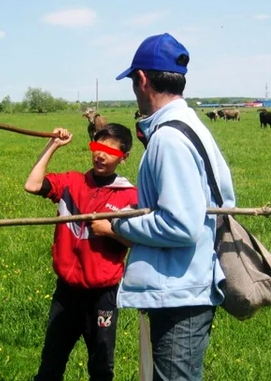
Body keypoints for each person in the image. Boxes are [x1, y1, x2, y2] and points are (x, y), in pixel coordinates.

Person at [91, 33, 236, 381]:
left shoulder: (168, 139)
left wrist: (119, 224)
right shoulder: (191, 127)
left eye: (133, 82)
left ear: (141, 79)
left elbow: (181, 225)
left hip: (180, 290)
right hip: (189, 280)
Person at [25, 124, 138, 381]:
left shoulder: (129, 196)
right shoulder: (71, 183)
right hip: (66, 291)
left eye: (110, 151)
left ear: (124, 157)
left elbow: (139, 242)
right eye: (97, 147)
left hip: (103, 294)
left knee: (101, 366)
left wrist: (110, 231)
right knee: (51, 362)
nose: (100, 155)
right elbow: (32, 185)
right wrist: (53, 144)